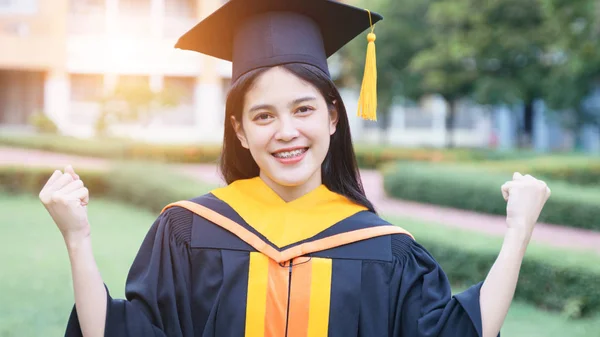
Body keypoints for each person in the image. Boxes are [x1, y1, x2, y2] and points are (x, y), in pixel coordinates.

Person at [39, 0, 552, 336]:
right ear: (239, 131)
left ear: (333, 116)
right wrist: (77, 239)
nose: (286, 132)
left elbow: (462, 332)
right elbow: (118, 332)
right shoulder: (187, 233)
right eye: (263, 116)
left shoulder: (384, 249)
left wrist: (519, 231)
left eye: (303, 109)